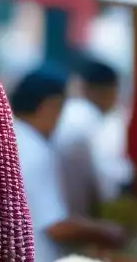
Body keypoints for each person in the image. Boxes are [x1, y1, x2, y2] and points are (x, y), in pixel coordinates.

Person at [11, 67, 123, 262]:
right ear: (49, 107)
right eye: (61, 108)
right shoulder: (34, 151)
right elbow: (55, 226)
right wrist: (104, 231)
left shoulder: (13, 139)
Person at [53, 56, 130, 220]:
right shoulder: (91, 121)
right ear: (109, 91)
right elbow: (108, 186)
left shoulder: (67, 113)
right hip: (72, 221)